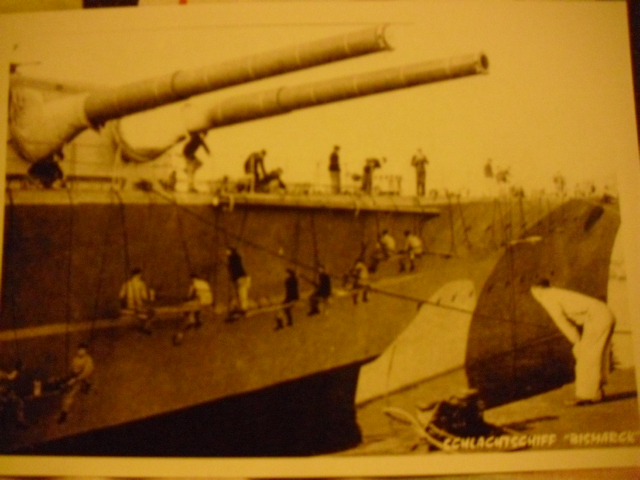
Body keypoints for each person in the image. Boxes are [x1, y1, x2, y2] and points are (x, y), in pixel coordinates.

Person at [530, 280, 615, 406]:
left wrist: (576, 341)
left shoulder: (547, 298)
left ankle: (585, 395)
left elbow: (562, 322)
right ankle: (597, 390)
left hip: (596, 318)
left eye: (534, 294)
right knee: (598, 355)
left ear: (538, 291)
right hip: (605, 313)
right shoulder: (557, 292)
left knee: (585, 356)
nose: (535, 297)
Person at [58, 343, 94, 424]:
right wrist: (67, 378)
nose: (80, 351)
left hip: (83, 380)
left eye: (82, 349)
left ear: (86, 350)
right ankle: (64, 410)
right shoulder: (75, 359)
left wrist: (75, 379)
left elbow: (86, 372)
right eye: (79, 349)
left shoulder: (88, 360)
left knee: (69, 395)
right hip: (74, 378)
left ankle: (64, 414)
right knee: (65, 391)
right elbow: (72, 370)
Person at [173, 273, 214, 345]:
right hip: (209, 300)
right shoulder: (204, 282)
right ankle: (197, 319)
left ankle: (187, 322)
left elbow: (190, 295)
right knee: (196, 303)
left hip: (201, 301)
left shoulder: (193, 283)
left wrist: (184, 299)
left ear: (192, 278)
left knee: (187, 306)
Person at [119, 267, 155, 334]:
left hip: (129, 306)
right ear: (138, 274)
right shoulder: (141, 284)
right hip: (138, 307)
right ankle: (145, 327)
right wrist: (151, 295)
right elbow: (144, 297)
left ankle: (140, 321)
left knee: (141, 312)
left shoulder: (126, 283)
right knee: (152, 312)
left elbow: (121, 296)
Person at [0, 362, 28, 429]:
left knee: (18, 402)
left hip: (5, 395)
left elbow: (10, 377)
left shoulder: (1, 373)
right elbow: (10, 377)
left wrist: (16, 370)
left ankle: (20, 421)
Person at [226, 248, 251, 314]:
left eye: (228, 251)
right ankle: (243, 308)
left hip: (240, 278)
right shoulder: (237, 257)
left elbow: (232, 269)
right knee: (242, 293)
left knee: (241, 293)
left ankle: (243, 308)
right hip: (243, 277)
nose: (226, 253)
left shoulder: (232, 258)